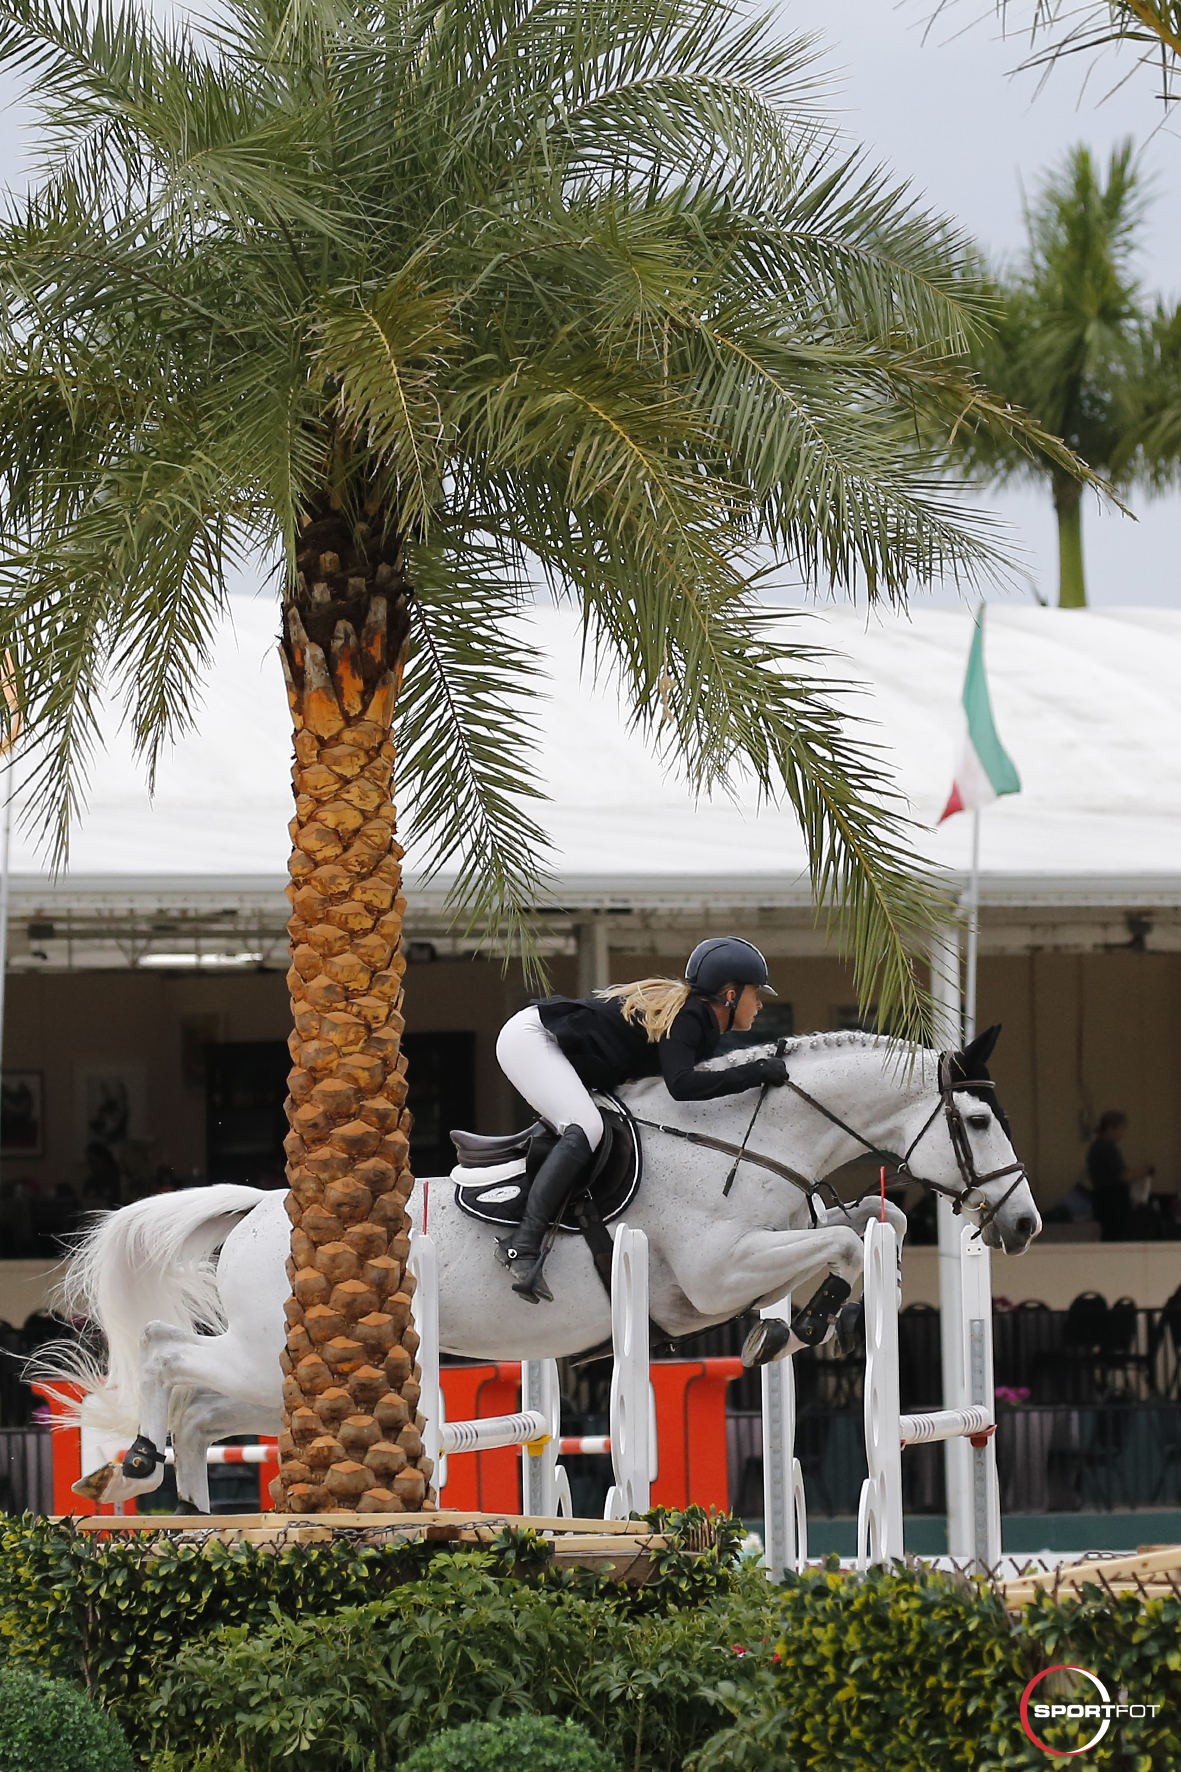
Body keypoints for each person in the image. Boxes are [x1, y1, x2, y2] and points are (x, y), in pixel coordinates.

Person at [493, 936, 788, 1303]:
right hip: (533, 1040)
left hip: (545, 1042)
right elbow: (682, 1086)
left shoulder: (698, 1020)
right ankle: (521, 1245)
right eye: (755, 993)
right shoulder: (693, 1015)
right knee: (586, 1128)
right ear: (730, 994)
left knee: (596, 1126)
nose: (759, 1003)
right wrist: (754, 1071)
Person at [1086, 1111, 1155, 1242]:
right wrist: (1145, 1171)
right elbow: (1123, 1176)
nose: (1121, 1135)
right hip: (1112, 1204)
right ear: (1110, 1128)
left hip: (1103, 1202)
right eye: (1120, 1130)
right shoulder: (1106, 1148)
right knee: (1116, 1238)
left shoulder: (1096, 1148)